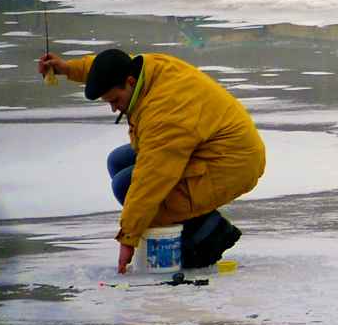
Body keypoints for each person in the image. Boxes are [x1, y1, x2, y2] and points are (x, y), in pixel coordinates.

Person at [38, 48, 263, 274]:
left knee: (125, 185)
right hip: (210, 143)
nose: (114, 108)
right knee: (117, 161)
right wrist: (68, 69)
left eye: (115, 100)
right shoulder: (146, 68)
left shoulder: (163, 112)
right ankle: (200, 225)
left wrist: (128, 238)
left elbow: (152, 179)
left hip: (231, 163)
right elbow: (111, 65)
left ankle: (207, 235)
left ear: (131, 83)